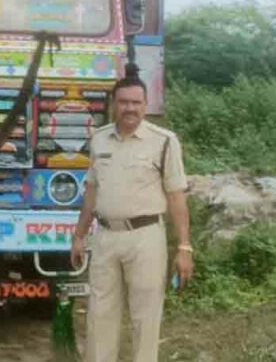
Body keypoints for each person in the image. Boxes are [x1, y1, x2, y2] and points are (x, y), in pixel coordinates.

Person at [70, 69, 193, 362]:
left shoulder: (164, 141)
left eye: (136, 102)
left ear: (146, 104)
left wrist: (184, 246)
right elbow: (91, 191)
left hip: (146, 238)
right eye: (124, 102)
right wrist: (79, 235)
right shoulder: (99, 139)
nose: (130, 108)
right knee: (99, 316)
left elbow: (176, 196)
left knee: (145, 317)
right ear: (114, 104)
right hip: (106, 237)